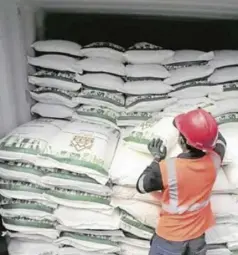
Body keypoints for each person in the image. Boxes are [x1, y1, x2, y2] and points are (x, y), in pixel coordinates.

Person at [136, 108, 226, 255]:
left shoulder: (167, 167)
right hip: (197, 236)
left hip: (170, 238)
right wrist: (207, 124)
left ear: (182, 141)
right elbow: (222, 142)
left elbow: (141, 185)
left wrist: (157, 157)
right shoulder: (214, 161)